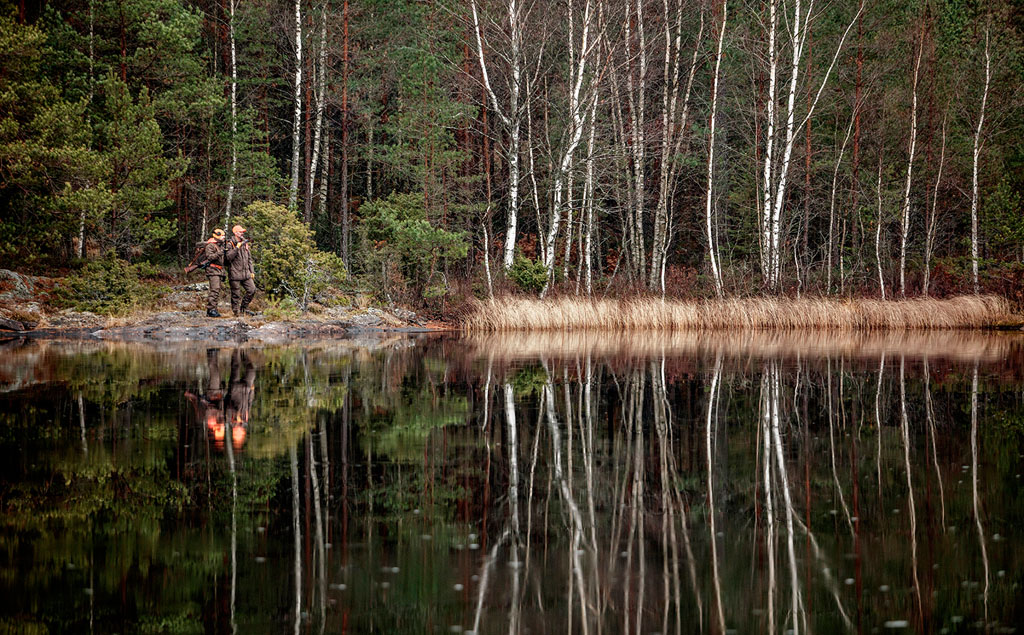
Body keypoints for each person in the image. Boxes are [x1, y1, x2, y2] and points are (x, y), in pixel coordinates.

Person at [226, 224, 256, 317]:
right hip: (235, 273)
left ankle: (244, 308)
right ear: (235, 233)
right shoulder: (230, 243)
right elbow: (228, 257)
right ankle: (236, 313)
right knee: (236, 294)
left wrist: (252, 271)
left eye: (243, 232)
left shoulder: (245, 243)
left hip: (246, 273)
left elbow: (249, 259)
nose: (242, 233)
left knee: (252, 290)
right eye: (240, 232)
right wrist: (237, 248)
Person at [201, 228, 227, 317]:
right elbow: (210, 257)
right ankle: (211, 309)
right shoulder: (210, 246)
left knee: (217, 290)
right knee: (215, 289)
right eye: (222, 236)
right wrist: (220, 253)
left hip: (218, 271)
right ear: (217, 236)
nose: (224, 237)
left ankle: (213, 309)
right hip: (212, 270)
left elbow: (222, 262)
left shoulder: (220, 245)